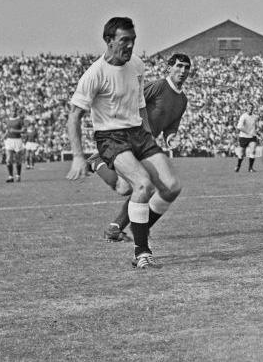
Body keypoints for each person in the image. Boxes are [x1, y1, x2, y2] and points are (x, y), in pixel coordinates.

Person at [66, 17, 182, 270]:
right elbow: (74, 116)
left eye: (133, 40)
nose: (130, 46)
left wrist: (149, 136)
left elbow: (141, 105)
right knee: (142, 185)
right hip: (111, 137)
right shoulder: (94, 74)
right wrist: (76, 156)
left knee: (172, 187)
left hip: (138, 133)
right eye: (124, 41)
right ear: (108, 41)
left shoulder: (137, 65)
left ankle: (141, 226)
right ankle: (141, 252)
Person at [89, 53, 192, 242]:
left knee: (130, 188)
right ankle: (97, 163)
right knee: (139, 187)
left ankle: (118, 228)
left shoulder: (182, 100)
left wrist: (172, 138)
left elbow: (171, 126)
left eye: (186, 67)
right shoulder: (160, 86)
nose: (182, 71)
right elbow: (134, 100)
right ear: (169, 67)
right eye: (179, 66)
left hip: (146, 146)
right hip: (131, 137)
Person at [235, 103, 259, 172]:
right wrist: (248, 132)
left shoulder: (255, 117)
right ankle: (238, 166)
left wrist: (256, 132)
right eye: (249, 107)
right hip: (243, 137)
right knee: (242, 154)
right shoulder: (243, 116)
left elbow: (255, 126)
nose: (250, 108)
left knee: (253, 150)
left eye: (251, 107)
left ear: (253, 108)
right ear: (247, 108)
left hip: (252, 136)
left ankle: (250, 168)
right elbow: (239, 127)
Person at [4, 108, 25, 182]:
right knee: (8, 159)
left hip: (17, 141)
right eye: (12, 111)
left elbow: (23, 130)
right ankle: (10, 177)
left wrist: (15, 131)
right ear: (10, 112)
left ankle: (18, 176)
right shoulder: (7, 120)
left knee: (18, 160)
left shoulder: (19, 120)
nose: (13, 112)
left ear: (16, 112)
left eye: (14, 111)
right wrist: (4, 135)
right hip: (9, 140)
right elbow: (8, 129)